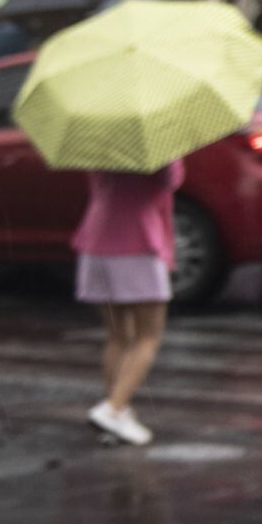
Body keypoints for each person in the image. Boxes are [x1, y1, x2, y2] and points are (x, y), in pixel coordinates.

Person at [73, 160, 185, 448]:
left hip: (96, 245)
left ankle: (116, 412)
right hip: (137, 247)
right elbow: (170, 181)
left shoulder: (96, 142)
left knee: (118, 337)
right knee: (148, 336)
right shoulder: (155, 149)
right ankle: (112, 409)